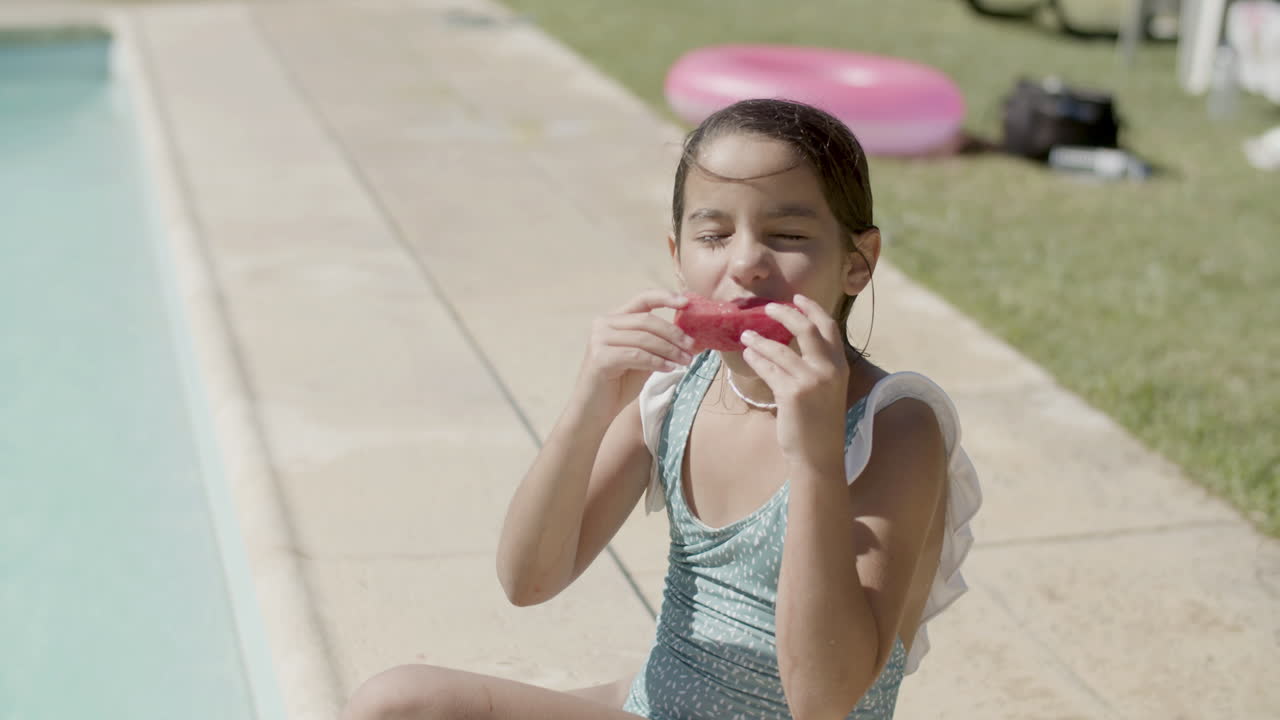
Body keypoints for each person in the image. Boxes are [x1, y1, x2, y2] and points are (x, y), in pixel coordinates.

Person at [341, 98, 982, 720]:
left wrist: (814, 459)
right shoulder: (681, 388)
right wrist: (589, 406)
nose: (747, 263)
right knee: (396, 704)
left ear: (857, 263)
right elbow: (528, 581)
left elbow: (824, 701)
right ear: (678, 257)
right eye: (714, 234)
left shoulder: (893, 425)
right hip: (661, 698)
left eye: (787, 234)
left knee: (399, 705)